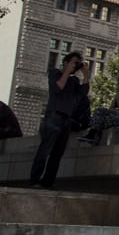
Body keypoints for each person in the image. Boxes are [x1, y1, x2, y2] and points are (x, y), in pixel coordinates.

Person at [29, 52, 89, 188]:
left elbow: (83, 94)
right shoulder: (55, 73)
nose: (75, 66)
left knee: (57, 153)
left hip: (66, 119)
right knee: (45, 149)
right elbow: (57, 88)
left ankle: (48, 182)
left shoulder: (74, 81)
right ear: (66, 62)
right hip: (53, 116)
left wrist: (85, 74)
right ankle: (34, 180)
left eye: (77, 64)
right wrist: (66, 72)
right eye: (73, 62)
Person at [78, 74, 119, 145]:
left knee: (104, 120)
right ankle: (92, 133)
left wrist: (117, 95)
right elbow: (111, 108)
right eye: (118, 83)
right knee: (99, 111)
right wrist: (118, 111)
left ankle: (94, 135)